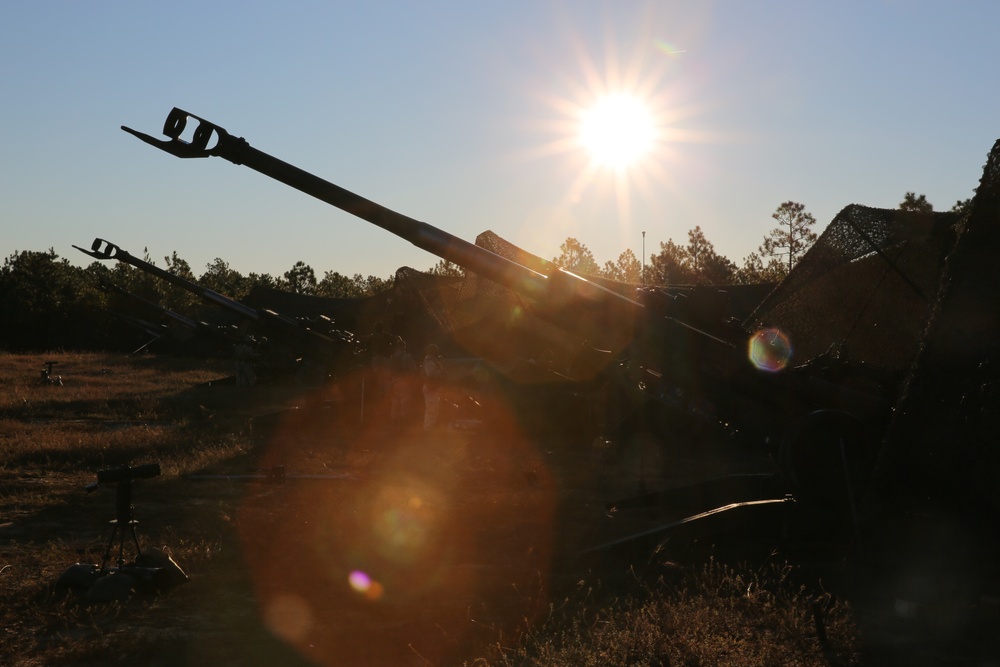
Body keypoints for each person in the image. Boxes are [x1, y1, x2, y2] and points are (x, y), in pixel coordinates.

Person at [389, 338, 417, 424]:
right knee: (405, 401)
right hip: (404, 381)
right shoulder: (407, 356)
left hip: (394, 381)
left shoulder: (392, 357)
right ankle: (404, 420)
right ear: (404, 347)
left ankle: (394, 420)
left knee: (395, 401)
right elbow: (413, 369)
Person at [422, 343, 444, 431]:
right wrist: (440, 372)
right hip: (430, 387)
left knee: (434, 409)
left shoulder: (432, 361)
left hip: (433, 387)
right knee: (431, 409)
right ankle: (428, 429)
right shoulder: (429, 362)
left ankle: (430, 428)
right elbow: (430, 374)